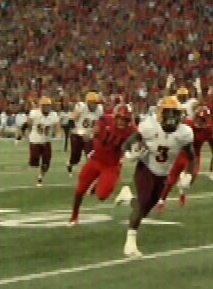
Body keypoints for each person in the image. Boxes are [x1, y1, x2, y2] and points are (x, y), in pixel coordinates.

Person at [122, 96, 196, 258]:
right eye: (168, 113)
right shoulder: (149, 126)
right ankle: (130, 244)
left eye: (175, 114)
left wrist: (189, 175)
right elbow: (130, 140)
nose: (172, 118)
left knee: (145, 209)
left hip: (163, 173)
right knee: (142, 205)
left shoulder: (184, 133)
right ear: (160, 114)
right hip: (146, 168)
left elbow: (191, 158)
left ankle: (128, 197)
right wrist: (129, 153)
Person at [68, 103, 137, 225]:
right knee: (80, 189)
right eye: (120, 118)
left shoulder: (132, 130)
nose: (121, 122)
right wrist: (91, 134)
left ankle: (117, 189)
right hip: (96, 159)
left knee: (102, 196)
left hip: (111, 166)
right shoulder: (106, 120)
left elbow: (140, 139)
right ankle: (74, 216)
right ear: (115, 117)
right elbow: (95, 130)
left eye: (125, 120)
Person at [18, 96, 60, 186]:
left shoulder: (53, 115)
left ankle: (40, 177)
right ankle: (31, 164)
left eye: (48, 106)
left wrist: (58, 134)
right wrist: (20, 134)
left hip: (46, 142)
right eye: (44, 106)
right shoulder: (34, 113)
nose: (46, 108)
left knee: (46, 163)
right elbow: (27, 124)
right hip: (35, 141)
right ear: (41, 106)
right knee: (34, 163)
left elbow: (57, 127)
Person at [68, 91, 103, 174]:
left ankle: (91, 171)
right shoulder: (81, 106)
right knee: (75, 157)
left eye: (96, 103)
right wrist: (77, 130)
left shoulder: (99, 109)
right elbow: (71, 120)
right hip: (77, 134)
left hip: (89, 135)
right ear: (88, 102)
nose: (95, 105)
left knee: (90, 154)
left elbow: (99, 124)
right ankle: (70, 164)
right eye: (93, 103)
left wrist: (93, 134)